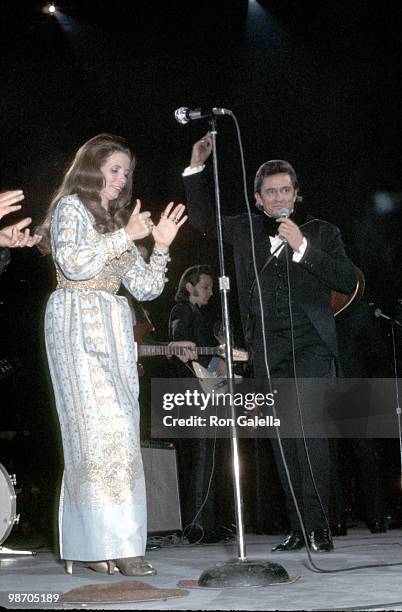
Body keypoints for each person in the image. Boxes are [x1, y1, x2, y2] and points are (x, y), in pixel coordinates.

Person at [182, 133, 357, 552]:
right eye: (270, 192)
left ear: (296, 195)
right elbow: (204, 219)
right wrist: (196, 167)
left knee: (311, 439)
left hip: (311, 347)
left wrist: (303, 247)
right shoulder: (245, 231)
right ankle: (298, 528)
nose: (278, 197)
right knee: (284, 443)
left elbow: (347, 280)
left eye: (285, 190)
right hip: (268, 351)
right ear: (258, 199)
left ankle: (319, 528)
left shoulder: (323, 232)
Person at [36, 133, 186, 576]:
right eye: (114, 169)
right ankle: (114, 545)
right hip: (77, 322)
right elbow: (74, 263)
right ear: (91, 168)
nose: (121, 179)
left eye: (126, 171)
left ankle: (98, 544)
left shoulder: (116, 221)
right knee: (96, 434)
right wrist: (125, 237)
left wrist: (159, 246)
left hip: (114, 331)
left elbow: (146, 288)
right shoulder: (70, 207)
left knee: (118, 433)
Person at [169, 265, 234, 543]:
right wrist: (213, 367)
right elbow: (182, 351)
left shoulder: (201, 316)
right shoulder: (181, 312)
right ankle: (197, 526)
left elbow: (208, 360)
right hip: (192, 392)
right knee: (201, 458)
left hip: (205, 392)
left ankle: (210, 522)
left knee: (209, 458)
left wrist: (220, 360)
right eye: (206, 287)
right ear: (189, 287)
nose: (210, 292)